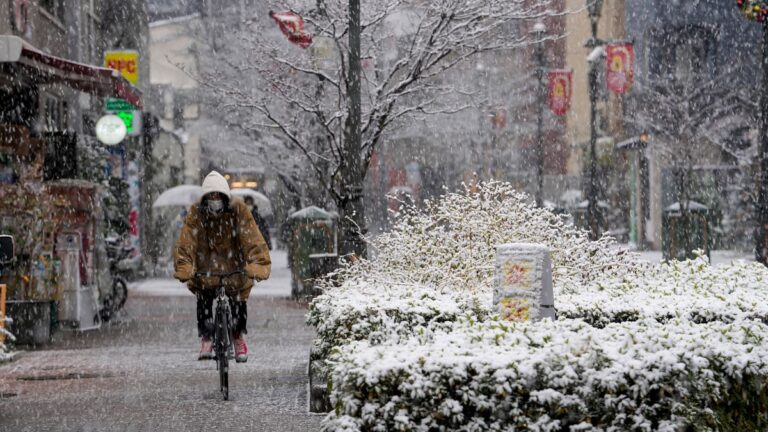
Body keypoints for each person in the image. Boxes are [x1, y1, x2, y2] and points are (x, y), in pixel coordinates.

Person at [173, 171, 271, 362]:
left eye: (218, 195)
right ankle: (206, 337)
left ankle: (237, 336)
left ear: (225, 196)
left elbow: (252, 238)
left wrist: (258, 262)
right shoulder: (196, 211)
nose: (215, 199)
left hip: (234, 266)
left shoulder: (238, 209)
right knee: (203, 297)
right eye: (211, 195)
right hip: (205, 267)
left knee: (238, 298)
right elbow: (187, 241)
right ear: (205, 197)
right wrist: (185, 265)